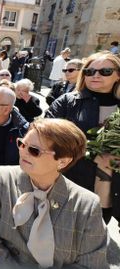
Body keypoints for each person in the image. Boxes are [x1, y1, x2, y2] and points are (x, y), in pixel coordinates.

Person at [0, 118, 108, 268]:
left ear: (63, 161)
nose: (24, 152)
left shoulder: (87, 205)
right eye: (22, 144)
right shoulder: (3, 178)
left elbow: (91, 263)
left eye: (34, 150)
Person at [45, 51, 120, 222]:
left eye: (105, 71)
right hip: (72, 183)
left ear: (117, 75)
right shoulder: (67, 102)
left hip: (108, 191)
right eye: (89, 71)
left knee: (94, 236)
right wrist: (93, 153)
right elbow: (46, 135)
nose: (95, 75)